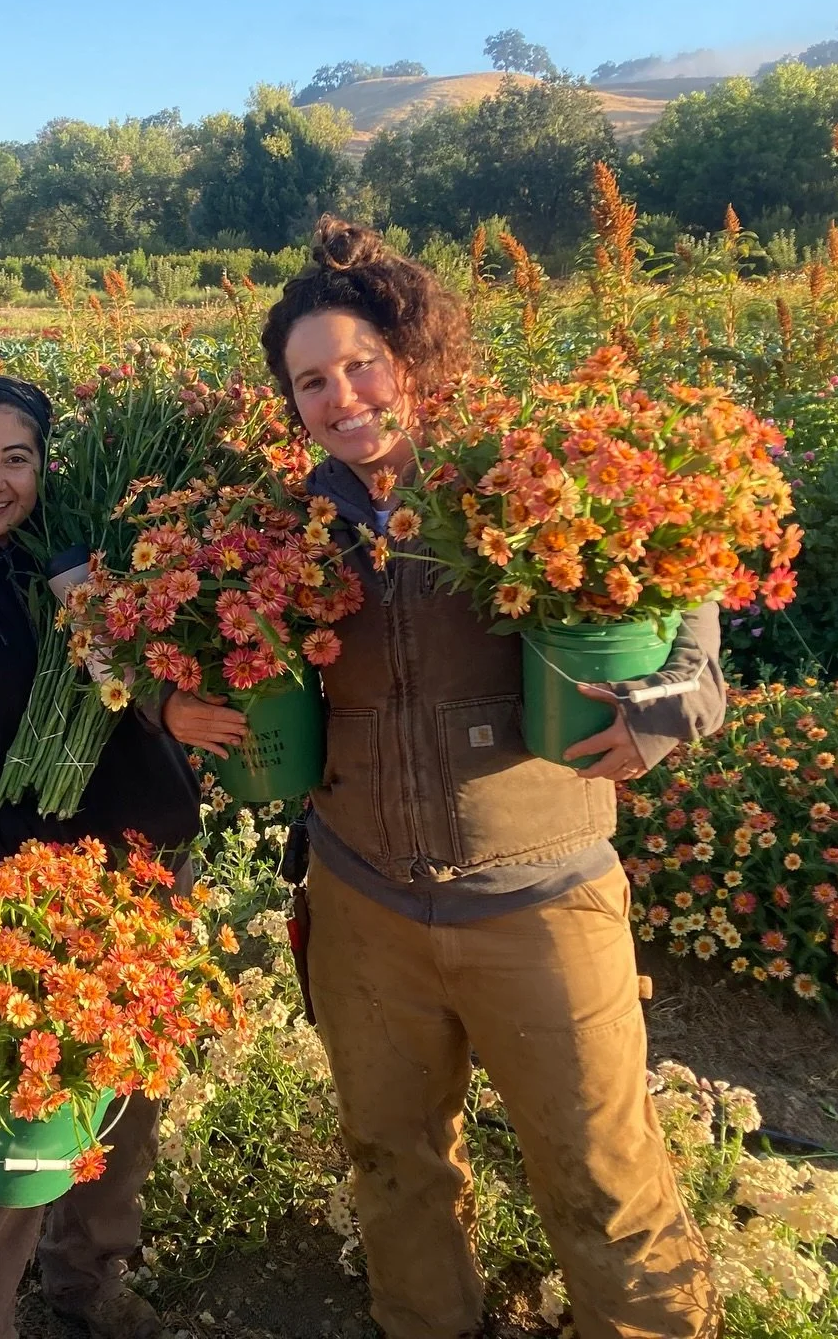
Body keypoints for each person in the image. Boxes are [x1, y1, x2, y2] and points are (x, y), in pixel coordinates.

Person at [171, 216, 726, 1339]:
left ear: (412, 358)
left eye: (361, 363)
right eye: (311, 381)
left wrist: (672, 709)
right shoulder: (280, 527)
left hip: (541, 893)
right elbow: (154, 633)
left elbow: (691, 607)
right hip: (363, 893)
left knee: (606, 1187)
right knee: (396, 1171)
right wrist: (166, 698)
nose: (342, 396)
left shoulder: (519, 481)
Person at [0, 373, 199, 1339]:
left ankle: (88, 1284)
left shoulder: (81, 560)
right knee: (11, 1105)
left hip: (131, 863)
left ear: (44, 467)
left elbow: (148, 692)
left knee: (121, 1094)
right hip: (10, 885)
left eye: (15, 459)